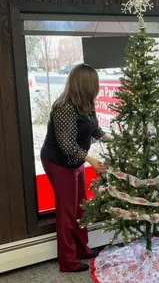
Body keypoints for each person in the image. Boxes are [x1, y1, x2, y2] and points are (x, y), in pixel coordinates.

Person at [40, 63, 108, 272]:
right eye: (94, 83)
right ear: (85, 84)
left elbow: (94, 129)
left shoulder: (86, 103)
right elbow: (67, 145)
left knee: (80, 207)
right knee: (67, 212)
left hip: (76, 160)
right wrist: (91, 160)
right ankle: (68, 262)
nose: (97, 87)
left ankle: (82, 248)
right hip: (59, 162)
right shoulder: (64, 107)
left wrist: (113, 141)